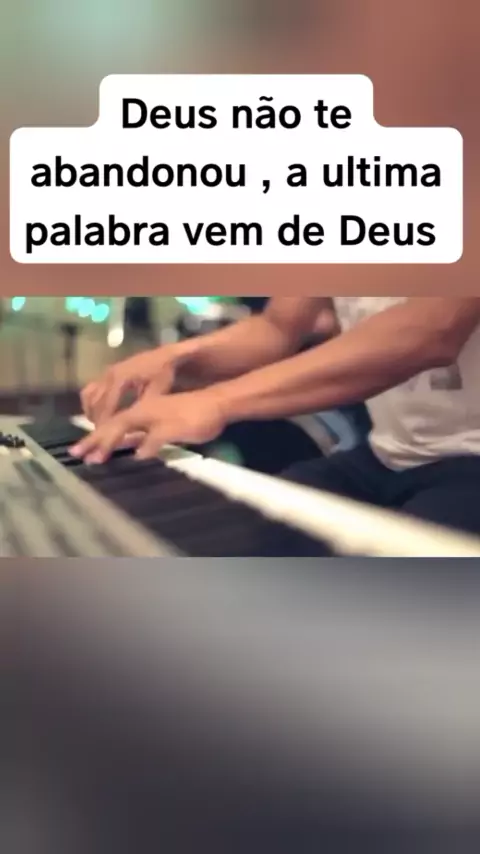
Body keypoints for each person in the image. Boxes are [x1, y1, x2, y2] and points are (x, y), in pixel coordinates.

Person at [70, 297, 480, 547]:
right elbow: (276, 328)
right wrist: (176, 358)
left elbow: (432, 328)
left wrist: (216, 402)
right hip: (385, 455)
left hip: (470, 457)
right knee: (250, 535)